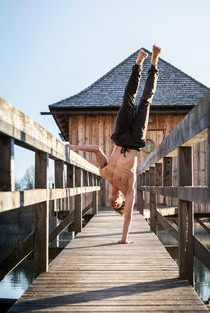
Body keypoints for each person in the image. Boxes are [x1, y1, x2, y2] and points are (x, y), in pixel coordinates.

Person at [68, 45, 161, 244]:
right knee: (145, 102)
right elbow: (128, 216)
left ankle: (138, 64)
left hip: (119, 137)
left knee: (127, 100)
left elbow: (96, 149)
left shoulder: (105, 173)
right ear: (122, 202)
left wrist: (75, 148)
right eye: (116, 204)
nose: (112, 203)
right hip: (135, 141)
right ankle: (154, 64)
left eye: (112, 204)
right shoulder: (129, 189)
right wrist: (124, 239)